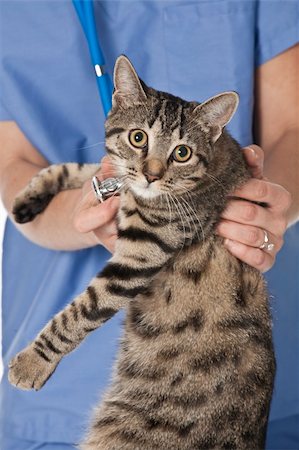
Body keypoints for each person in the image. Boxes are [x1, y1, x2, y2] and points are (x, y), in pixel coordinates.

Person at [0, 1, 298, 449]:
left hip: (205, 389)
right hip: (54, 395)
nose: (153, 169)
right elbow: (12, 164)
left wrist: (271, 204)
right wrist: (84, 211)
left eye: (177, 154)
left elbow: (292, 129)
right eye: (138, 141)